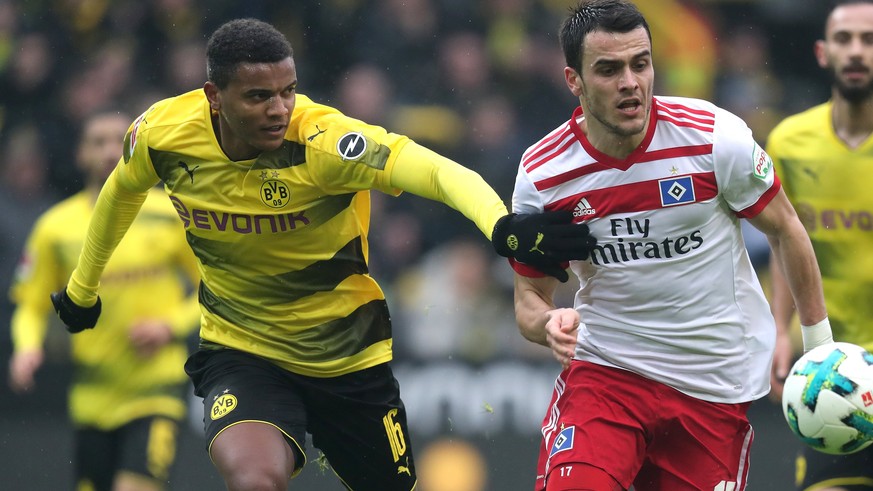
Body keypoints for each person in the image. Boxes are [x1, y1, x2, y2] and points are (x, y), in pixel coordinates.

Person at [47, 18, 597, 491]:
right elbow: (120, 190)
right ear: (215, 97)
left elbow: (435, 171)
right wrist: (82, 287)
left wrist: (500, 225)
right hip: (243, 349)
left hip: (348, 357)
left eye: (288, 91)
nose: (278, 109)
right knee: (255, 480)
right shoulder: (163, 134)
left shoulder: (326, 143)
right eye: (258, 96)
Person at [508, 1, 833, 490]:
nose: (630, 83)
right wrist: (548, 324)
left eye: (640, 64)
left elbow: (786, 228)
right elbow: (528, 300)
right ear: (573, 80)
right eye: (609, 69)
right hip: (607, 375)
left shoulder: (713, 139)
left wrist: (819, 348)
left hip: (713, 385)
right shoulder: (544, 176)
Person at [7, 110, 201, 491]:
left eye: (120, 139)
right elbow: (30, 305)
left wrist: (170, 325)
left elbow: (211, 288)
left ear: (136, 146)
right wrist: (26, 348)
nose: (110, 150)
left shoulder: (170, 213)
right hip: (92, 396)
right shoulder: (55, 227)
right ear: (80, 154)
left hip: (156, 389)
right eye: (98, 141)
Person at [767, 1, 873, 490]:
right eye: (844, 39)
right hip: (831, 376)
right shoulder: (789, 142)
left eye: (868, 40)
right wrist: (779, 331)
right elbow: (782, 242)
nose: (856, 51)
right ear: (822, 52)